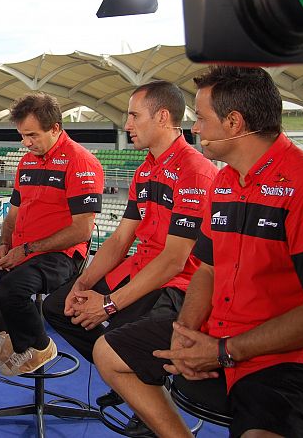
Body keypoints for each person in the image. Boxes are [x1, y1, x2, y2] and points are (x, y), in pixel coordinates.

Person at [94, 66, 303, 437]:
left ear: (233, 122)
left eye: (202, 119)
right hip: (218, 332)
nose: (194, 128)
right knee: (107, 353)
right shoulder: (225, 181)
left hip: (288, 356)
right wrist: (185, 332)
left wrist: (224, 351)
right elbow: (207, 270)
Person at [42, 81, 217, 413]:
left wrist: (107, 305)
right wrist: (83, 284)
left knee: (120, 336)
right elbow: (121, 238)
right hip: (139, 268)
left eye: (134, 116)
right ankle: (130, 378)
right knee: (58, 306)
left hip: (174, 284)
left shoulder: (195, 172)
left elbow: (174, 261)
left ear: (163, 117)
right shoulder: (145, 169)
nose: (127, 125)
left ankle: (140, 383)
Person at [0, 93, 104, 376]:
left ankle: (40, 345)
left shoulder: (81, 162)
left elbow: (82, 230)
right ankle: (8, 334)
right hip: (21, 247)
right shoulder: (27, 162)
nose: (26, 143)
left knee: (7, 290)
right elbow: (12, 215)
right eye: (22, 136)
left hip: (59, 256)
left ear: (55, 128)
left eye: (32, 135)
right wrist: (4, 244)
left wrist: (25, 250)